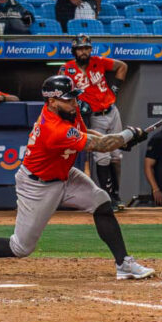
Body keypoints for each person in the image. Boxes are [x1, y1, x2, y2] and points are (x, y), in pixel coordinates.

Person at [0, 75, 154, 280]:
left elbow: (86, 135)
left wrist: (120, 140)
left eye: (74, 98)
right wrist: (127, 135)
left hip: (65, 174)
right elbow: (99, 146)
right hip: (37, 186)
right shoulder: (53, 128)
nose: (74, 103)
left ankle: (124, 263)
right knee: (21, 247)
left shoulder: (69, 112)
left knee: (102, 203)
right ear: (52, 101)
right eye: (68, 99)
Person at [60, 34, 129, 210]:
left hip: (112, 111)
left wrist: (114, 89)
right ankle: (108, 199)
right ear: (74, 51)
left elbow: (123, 66)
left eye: (86, 48)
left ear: (90, 49)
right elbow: (60, 91)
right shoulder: (67, 69)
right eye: (80, 49)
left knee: (116, 156)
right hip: (94, 116)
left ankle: (116, 196)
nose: (83, 52)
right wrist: (76, 103)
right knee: (102, 156)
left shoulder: (98, 62)